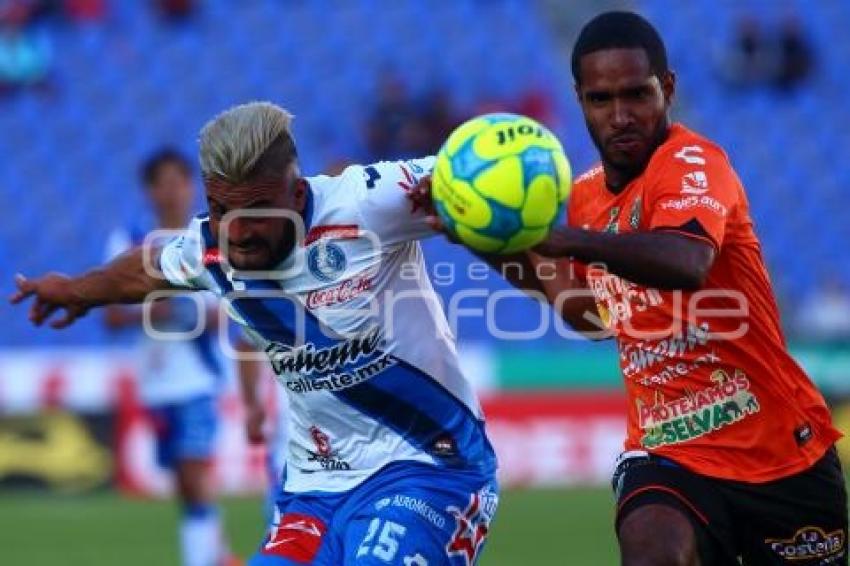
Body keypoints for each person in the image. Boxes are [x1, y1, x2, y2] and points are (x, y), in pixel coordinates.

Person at [414, 11, 847, 566]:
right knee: (653, 552)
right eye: (601, 100)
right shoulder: (586, 196)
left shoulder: (694, 163)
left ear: (667, 89)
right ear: (579, 101)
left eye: (636, 95)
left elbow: (687, 261)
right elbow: (585, 314)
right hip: (666, 457)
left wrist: (562, 237)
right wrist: (483, 238)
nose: (620, 116)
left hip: (782, 460)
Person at [11, 101, 498, 565]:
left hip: (428, 468)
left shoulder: (368, 202)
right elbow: (144, 269)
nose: (237, 232)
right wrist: (76, 290)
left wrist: (530, 232)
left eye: (256, 211)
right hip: (314, 494)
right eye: (220, 209)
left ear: (299, 193)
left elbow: (483, 172)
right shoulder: (208, 248)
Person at [102, 148, 237, 566]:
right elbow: (109, 315)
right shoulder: (130, 241)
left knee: (195, 477)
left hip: (200, 377)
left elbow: (228, 310)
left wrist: (191, 311)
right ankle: (219, 554)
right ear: (149, 191)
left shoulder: (209, 239)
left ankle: (204, 559)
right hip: (156, 379)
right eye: (162, 183)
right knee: (183, 482)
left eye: (179, 182)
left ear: (190, 185)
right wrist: (148, 311)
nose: (172, 192)